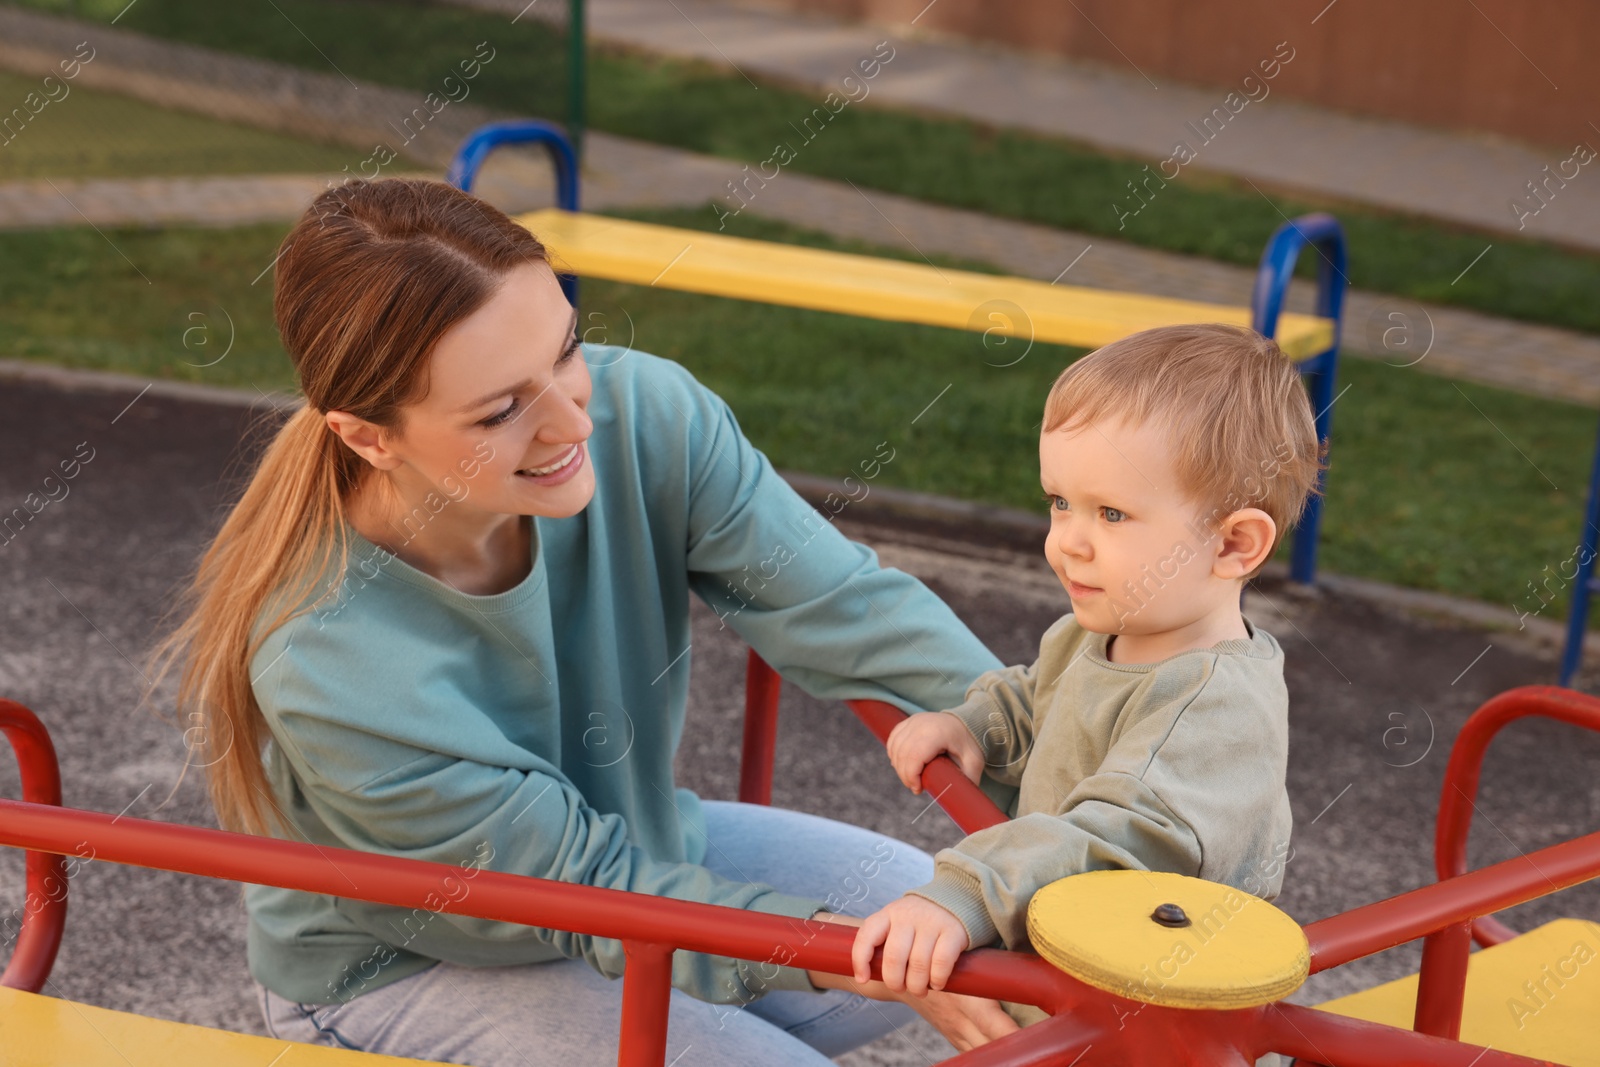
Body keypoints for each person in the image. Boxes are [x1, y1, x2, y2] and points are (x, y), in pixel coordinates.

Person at [144, 177, 1023, 1065]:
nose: (574, 419)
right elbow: (588, 889)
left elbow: (849, 610)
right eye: (499, 410)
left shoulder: (649, 415)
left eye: (567, 351)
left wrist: (1077, 785)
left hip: (631, 850)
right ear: (370, 436)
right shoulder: (326, 648)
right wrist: (852, 956)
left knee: (956, 916)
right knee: (898, 961)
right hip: (416, 963)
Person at [846, 323, 1321, 1026]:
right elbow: (1042, 696)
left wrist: (969, 891)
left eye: (1111, 512)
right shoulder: (1100, 632)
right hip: (1078, 996)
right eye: (1059, 501)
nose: (1067, 538)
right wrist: (974, 724)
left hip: (1159, 1029)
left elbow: (1113, 836)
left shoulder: (1215, 708)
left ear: (1232, 543)